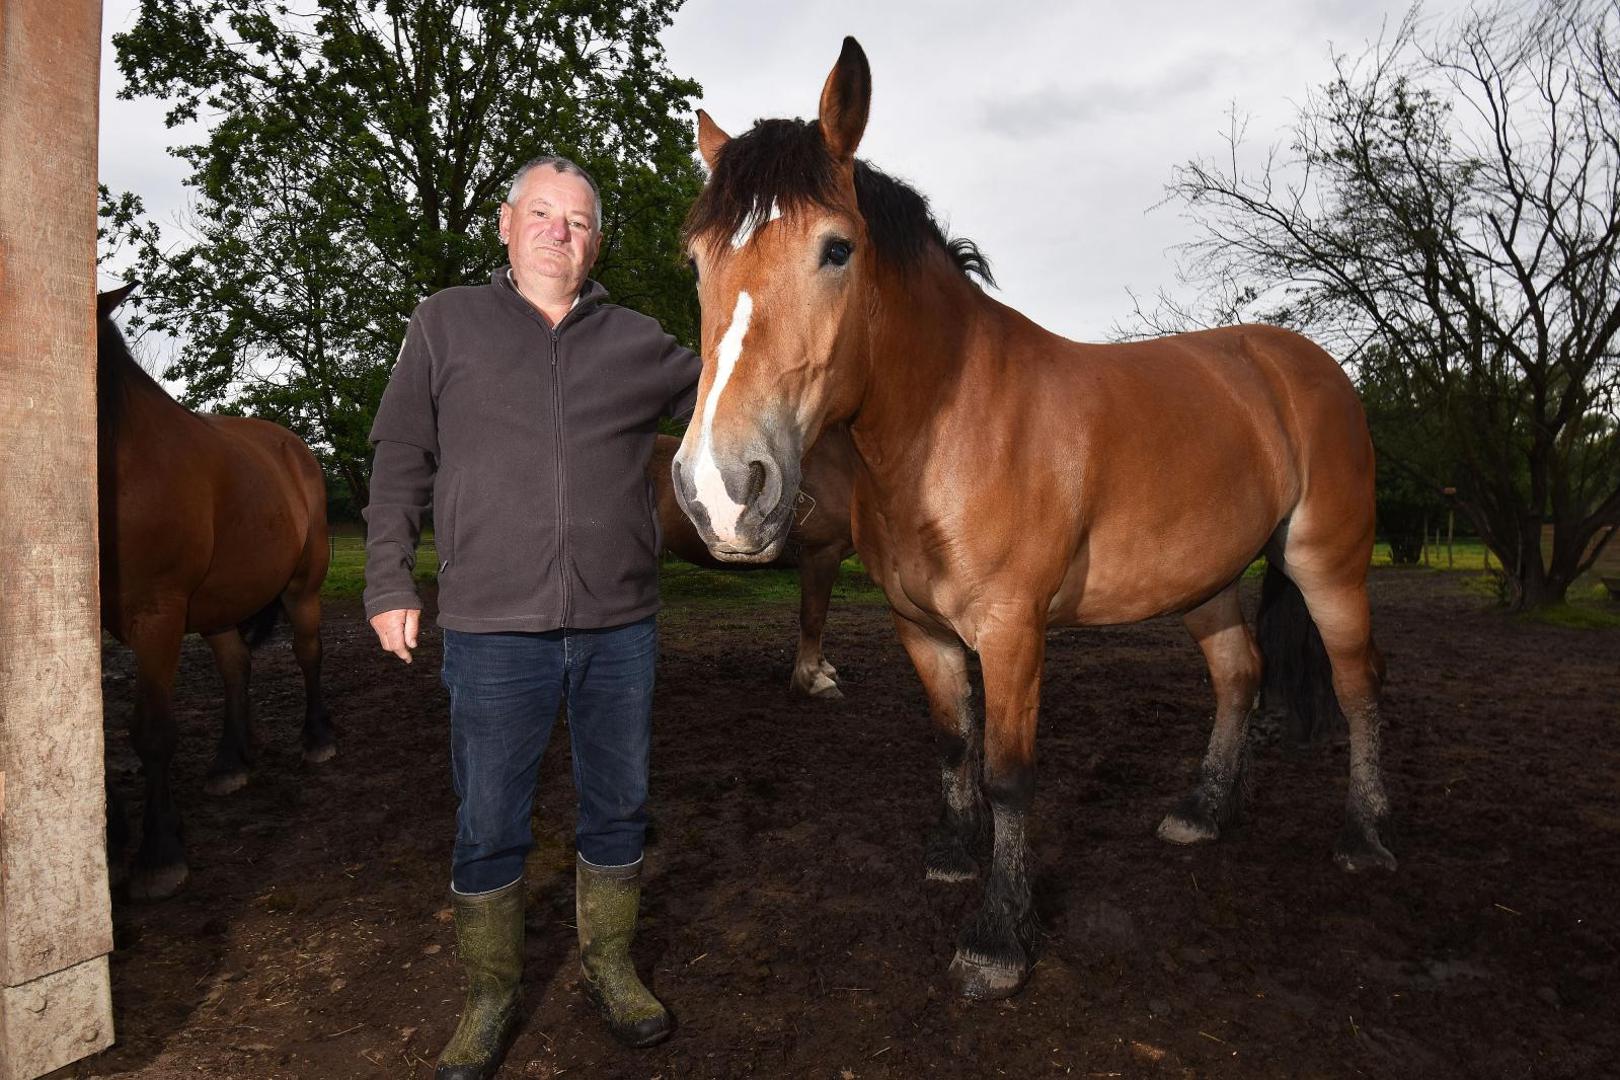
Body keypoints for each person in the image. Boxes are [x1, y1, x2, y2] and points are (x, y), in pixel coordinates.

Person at [363, 155, 701, 1079]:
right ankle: (488, 995)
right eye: (543, 213)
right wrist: (388, 577)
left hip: (618, 627)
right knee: (490, 818)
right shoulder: (445, 322)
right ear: (505, 225)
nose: (561, 230)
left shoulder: (640, 341)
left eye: (580, 220)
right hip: (489, 630)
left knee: (620, 807)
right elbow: (399, 455)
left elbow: (735, 397)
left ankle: (610, 965)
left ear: (596, 244)